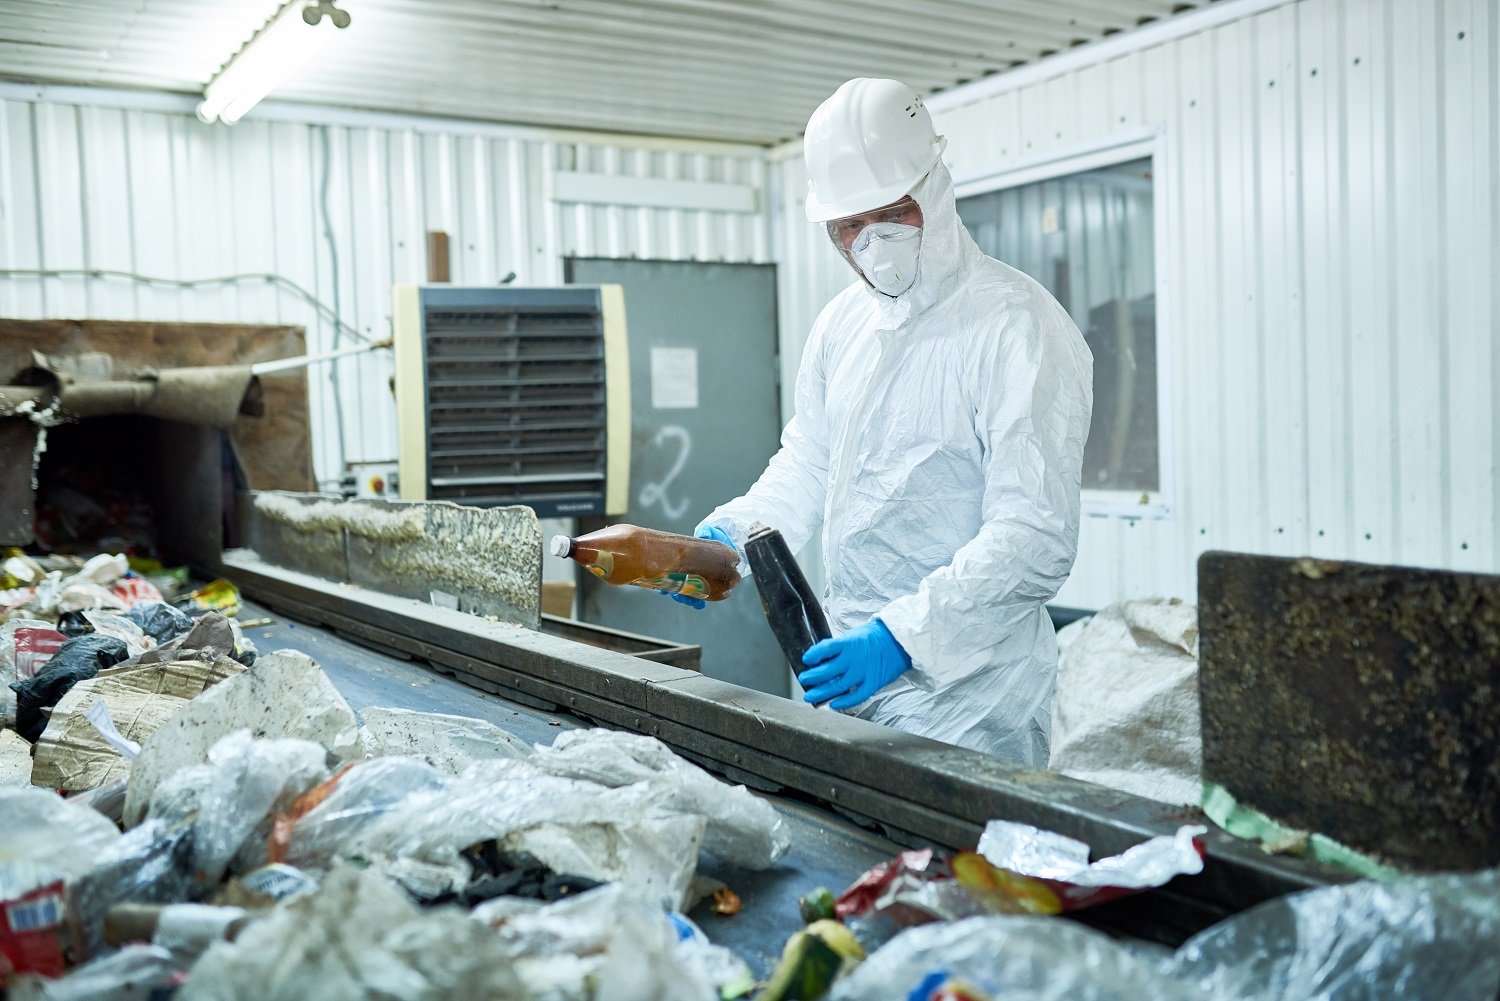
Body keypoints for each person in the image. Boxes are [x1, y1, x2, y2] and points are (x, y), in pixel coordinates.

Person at [675, 77, 1093, 766]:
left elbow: (1034, 534)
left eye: (892, 212)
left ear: (935, 187)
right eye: (849, 226)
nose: (873, 242)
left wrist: (902, 636)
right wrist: (734, 539)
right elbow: (810, 463)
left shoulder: (1018, 327)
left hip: (975, 703)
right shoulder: (843, 326)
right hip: (852, 692)